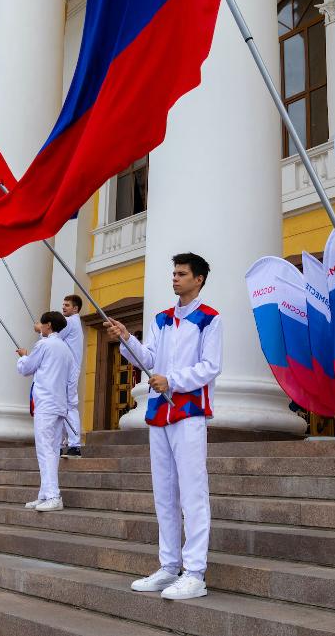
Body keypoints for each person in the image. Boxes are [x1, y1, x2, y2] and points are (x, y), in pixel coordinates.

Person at [106, 252, 221, 601]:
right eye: (173, 273)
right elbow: (149, 359)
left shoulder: (209, 319)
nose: (175, 278)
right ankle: (169, 567)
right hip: (159, 414)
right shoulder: (161, 318)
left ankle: (195, 573)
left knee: (192, 493)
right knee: (164, 495)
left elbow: (210, 366)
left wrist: (172, 380)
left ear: (198, 279)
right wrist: (127, 339)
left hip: (188, 412)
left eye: (182, 274)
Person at [17, 311, 77, 512]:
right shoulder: (66, 349)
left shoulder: (43, 345)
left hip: (46, 404)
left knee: (45, 450)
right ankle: (45, 494)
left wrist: (23, 357)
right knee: (51, 450)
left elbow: (27, 369)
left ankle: (53, 495)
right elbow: (70, 380)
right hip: (59, 405)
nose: (40, 328)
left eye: (41, 325)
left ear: (48, 325)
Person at [59, 295, 84, 458]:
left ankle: (75, 445)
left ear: (75, 308)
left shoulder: (71, 322)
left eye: (67, 305)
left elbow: (53, 336)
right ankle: (61, 444)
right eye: (63, 305)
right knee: (61, 405)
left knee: (69, 405)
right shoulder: (73, 322)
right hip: (65, 369)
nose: (63, 308)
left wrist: (41, 329)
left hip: (69, 371)